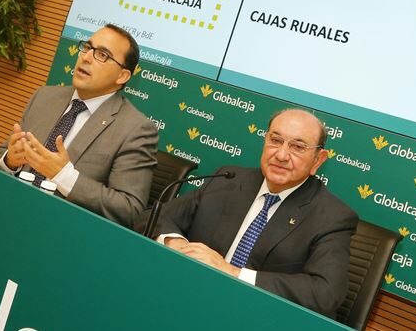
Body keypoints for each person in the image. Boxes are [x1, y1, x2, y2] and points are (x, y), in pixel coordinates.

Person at [152, 108, 357, 318]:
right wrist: (178, 245)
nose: (281, 155)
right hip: (187, 297)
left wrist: (232, 272)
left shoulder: (332, 217)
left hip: (255, 316)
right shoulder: (228, 180)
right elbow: (155, 217)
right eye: (275, 140)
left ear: (318, 160)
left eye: (297, 147)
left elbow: (325, 293)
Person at [0, 24, 158, 228]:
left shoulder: (135, 129)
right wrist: (10, 160)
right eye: (87, 48)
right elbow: (1, 156)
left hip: (62, 230)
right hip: (7, 210)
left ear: (122, 76)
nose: (86, 57)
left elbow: (128, 209)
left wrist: (64, 176)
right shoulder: (44, 97)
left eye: (102, 55)